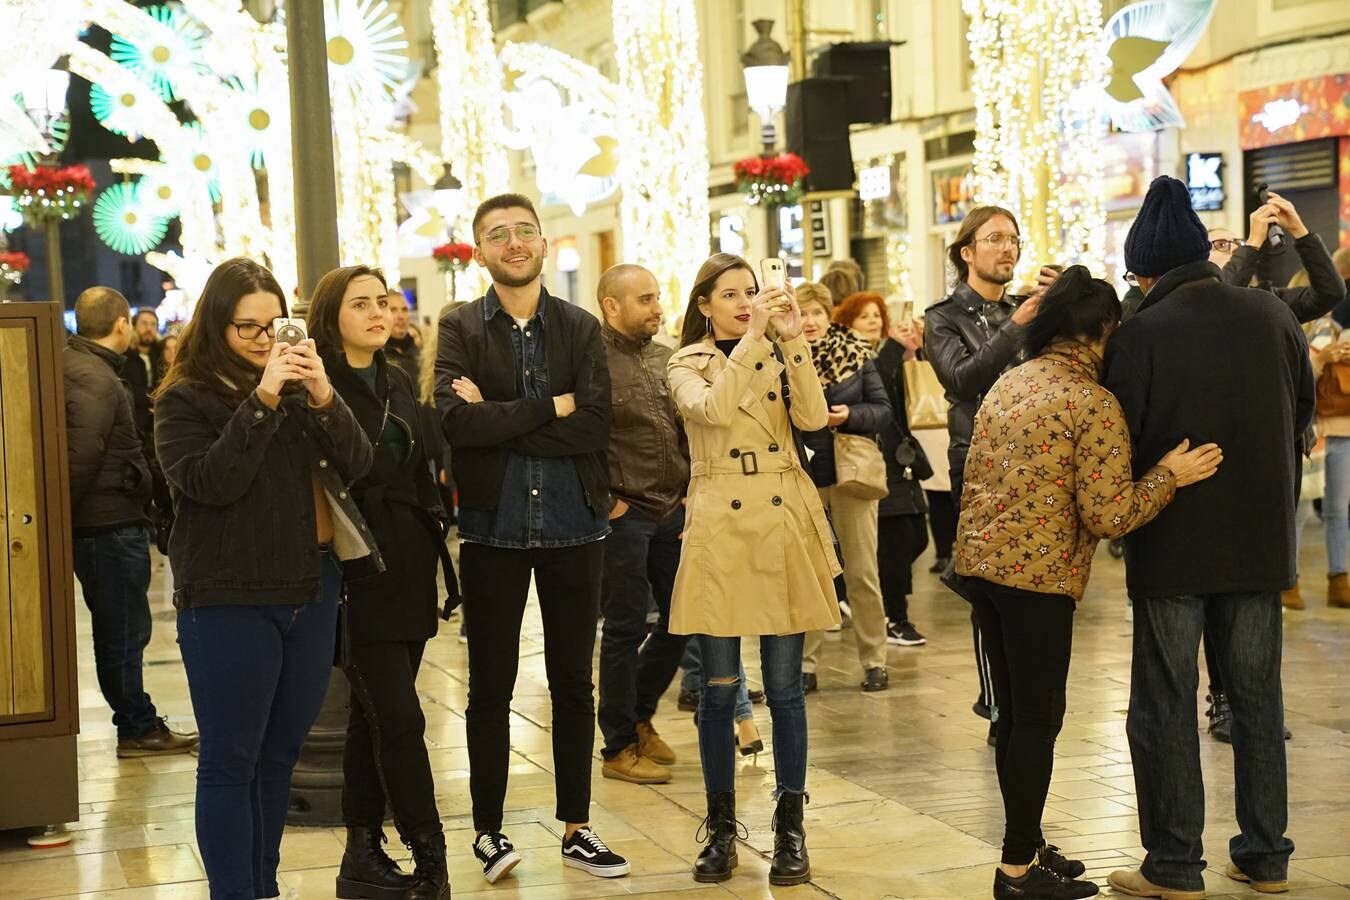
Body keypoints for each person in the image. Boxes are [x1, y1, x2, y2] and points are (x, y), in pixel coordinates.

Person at [957, 266, 1222, 900]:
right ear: (1105, 331)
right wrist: (1167, 476)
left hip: (983, 572)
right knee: (1037, 721)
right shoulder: (1091, 402)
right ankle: (1016, 870)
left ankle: (1028, 841)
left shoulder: (1010, 382)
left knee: (1015, 718)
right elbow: (1109, 514)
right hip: (1039, 581)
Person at [1101, 176, 1311, 900]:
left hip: (1173, 546)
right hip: (1261, 544)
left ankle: (1174, 866)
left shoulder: (1140, 334)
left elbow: (1117, 439)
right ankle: (1265, 857)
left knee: (1164, 702)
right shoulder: (1271, 315)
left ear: (1146, 271)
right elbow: (1300, 416)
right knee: (1257, 702)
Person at [154, 257, 379, 900]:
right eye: (244, 327)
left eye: (271, 324)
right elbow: (208, 483)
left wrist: (325, 396)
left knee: (279, 757)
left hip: (309, 587)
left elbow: (359, 465)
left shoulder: (304, 387)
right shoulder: (185, 398)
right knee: (231, 759)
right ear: (215, 327)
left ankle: (263, 885)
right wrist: (263, 398)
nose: (261, 339)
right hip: (227, 596)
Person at [434, 193, 629, 884]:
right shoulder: (459, 326)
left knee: (575, 681)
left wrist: (502, 415)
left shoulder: (578, 327)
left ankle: (577, 824)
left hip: (576, 525)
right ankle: (488, 831)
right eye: (497, 235)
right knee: (492, 684)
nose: (513, 243)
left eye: (524, 232)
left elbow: (596, 425)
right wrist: (551, 406)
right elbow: (456, 425)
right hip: (492, 527)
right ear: (479, 251)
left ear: (543, 244)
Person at [667, 252, 840, 887]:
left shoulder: (776, 348)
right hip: (718, 520)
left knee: (787, 689)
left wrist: (793, 343)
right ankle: (719, 829)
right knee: (717, 693)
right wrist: (758, 340)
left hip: (781, 513)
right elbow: (712, 411)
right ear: (704, 305)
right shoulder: (685, 362)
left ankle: (790, 828)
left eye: (754, 292)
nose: (747, 303)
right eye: (732, 294)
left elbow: (815, 420)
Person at [308, 265, 457, 900]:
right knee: (399, 718)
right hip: (355, 571)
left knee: (374, 721)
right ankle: (431, 858)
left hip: (410, 564)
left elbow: (422, 468)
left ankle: (361, 854)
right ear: (330, 316)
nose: (378, 312)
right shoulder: (317, 385)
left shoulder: (396, 379)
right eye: (360, 303)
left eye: (383, 302)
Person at [63, 287, 197, 759]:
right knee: (123, 629)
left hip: (106, 519)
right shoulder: (95, 378)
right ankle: (136, 726)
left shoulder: (82, 367)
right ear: (122, 324)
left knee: (119, 626)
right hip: (108, 523)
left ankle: (136, 721)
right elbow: (82, 456)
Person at [924, 205, 1040, 737]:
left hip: (1037, 460)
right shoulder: (942, 318)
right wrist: (1017, 328)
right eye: (995, 239)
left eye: (1013, 239)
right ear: (967, 252)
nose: (1008, 248)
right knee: (987, 586)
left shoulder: (1027, 310)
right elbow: (963, 379)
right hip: (978, 461)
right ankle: (995, 701)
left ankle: (1029, 692)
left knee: (1032, 584)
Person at [594, 263, 692, 785]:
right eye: (645, 299)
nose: (657, 308)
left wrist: (688, 495)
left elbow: (684, 432)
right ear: (612, 306)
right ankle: (617, 746)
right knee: (625, 628)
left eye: (658, 297)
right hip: (625, 513)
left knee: (682, 620)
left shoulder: (666, 356)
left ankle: (639, 715)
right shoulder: (591, 361)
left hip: (671, 510)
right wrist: (608, 501)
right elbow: (582, 440)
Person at [795, 283, 894, 693]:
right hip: (804, 475)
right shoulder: (783, 360)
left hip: (851, 472)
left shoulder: (855, 353)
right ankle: (805, 665)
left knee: (862, 571)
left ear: (828, 315)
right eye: (802, 314)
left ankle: (875, 660)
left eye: (817, 312)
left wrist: (848, 414)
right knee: (811, 574)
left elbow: (883, 411)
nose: (811, 321)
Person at [840, 291, 931, 646]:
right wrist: (896, 347)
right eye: (864, 317)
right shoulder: (847, 356)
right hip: (871, 459)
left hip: (902, 458)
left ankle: (867, 599)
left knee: (916, 538)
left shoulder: (889, 355)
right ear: (847, 325)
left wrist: (916, 347)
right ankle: (894, 616)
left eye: (877, 315)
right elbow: (870, 380)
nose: (874, 322)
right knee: (895, 543)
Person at [1210, 193, 1344, 322]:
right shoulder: (1194, 302)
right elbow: (1220, 299)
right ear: (1202, 259)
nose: (1235, 248)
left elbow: (1330, 293)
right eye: (1221, 244)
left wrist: (1299, 231)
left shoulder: (1267, 301)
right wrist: (1254, 241)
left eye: (1239, 243)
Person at [384, 289, 422, 390]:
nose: (401, 316)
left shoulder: (419, 353)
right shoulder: (377, 355)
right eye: (393, 310)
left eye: (404, 310)